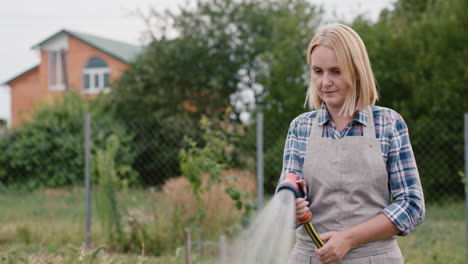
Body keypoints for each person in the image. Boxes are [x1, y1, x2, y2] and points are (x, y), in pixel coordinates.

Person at [279, 23, 425, 264]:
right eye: (318, 71)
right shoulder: (300, 127)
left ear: (357, 71)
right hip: (310, 258)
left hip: (374, 258)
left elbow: (412, 205)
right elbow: (288, 194)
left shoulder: (388, 124)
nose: (325, 82)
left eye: (336, 71)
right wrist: (289, 206)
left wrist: (349, 239)